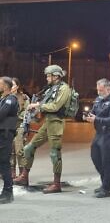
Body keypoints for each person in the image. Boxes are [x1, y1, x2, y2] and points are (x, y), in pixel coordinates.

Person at [14, 65, 71, 194]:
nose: (47, 78)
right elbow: (44, 104)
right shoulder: (51, 89)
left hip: (57, 122)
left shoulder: (64, 89)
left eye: (48, 75)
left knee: (55, 153)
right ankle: (24, 176)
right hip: (48, 122)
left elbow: (55, 106)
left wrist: (38, 106)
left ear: (56, 76)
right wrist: (35, 111)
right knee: (29, 147)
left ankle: (56, 184)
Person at [84, 78, 110, 198]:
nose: (99, 92)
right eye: (98, 90)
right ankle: (106, 182)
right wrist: (88, 116)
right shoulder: (98, 100)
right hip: (98, 134)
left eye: (101, 90)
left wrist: (96, 119)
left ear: (108, 89)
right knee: (95, 157)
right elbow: (94, 112)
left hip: (108, 134)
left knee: (106, 161)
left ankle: (106, 187)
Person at [0, 76, 19, 204]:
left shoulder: (11, 99)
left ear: (6, 86)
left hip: (5, 135)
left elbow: (1, 114)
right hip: (2, 134)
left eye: (0, 83)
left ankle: (8, 192)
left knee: (4, 162)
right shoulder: (4, 99)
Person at [10, 78, 30, 179]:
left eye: (13, 85)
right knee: (9, 150)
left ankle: (22, 173)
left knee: (19, 150)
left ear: (17, 86)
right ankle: (12, 171)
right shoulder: (4, 97)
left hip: (19, 126)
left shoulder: (23, 98)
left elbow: (26, 113)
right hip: (7, 127)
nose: (10, 87)